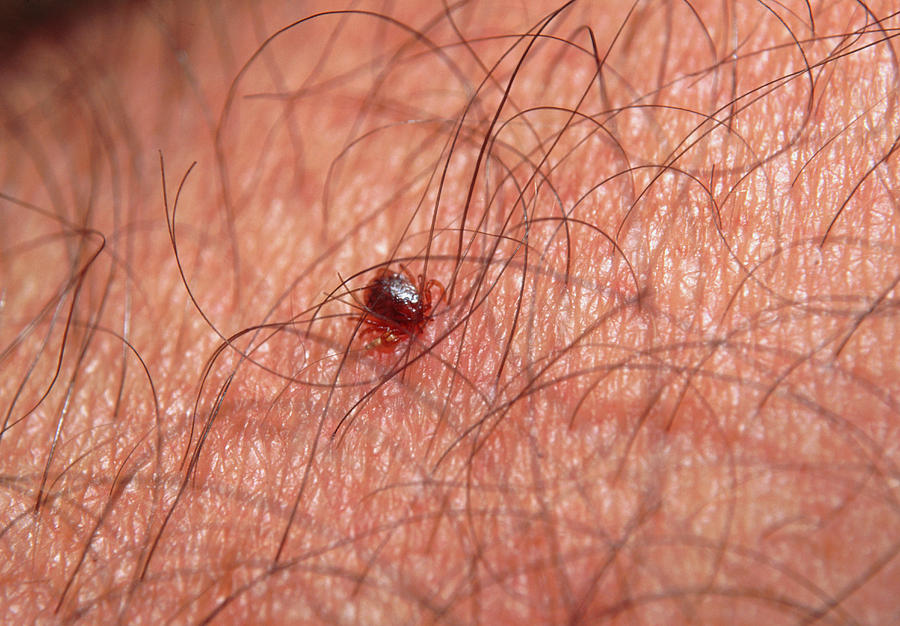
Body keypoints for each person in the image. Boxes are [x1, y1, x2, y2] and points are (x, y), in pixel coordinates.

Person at [2, 0, 897, 622]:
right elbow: (394, 298)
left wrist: (401, 310)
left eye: (411, 310)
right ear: (405, 311)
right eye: (410, 311)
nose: (413, 314)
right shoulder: (401, 305)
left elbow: (395, 295)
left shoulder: (402, 302)